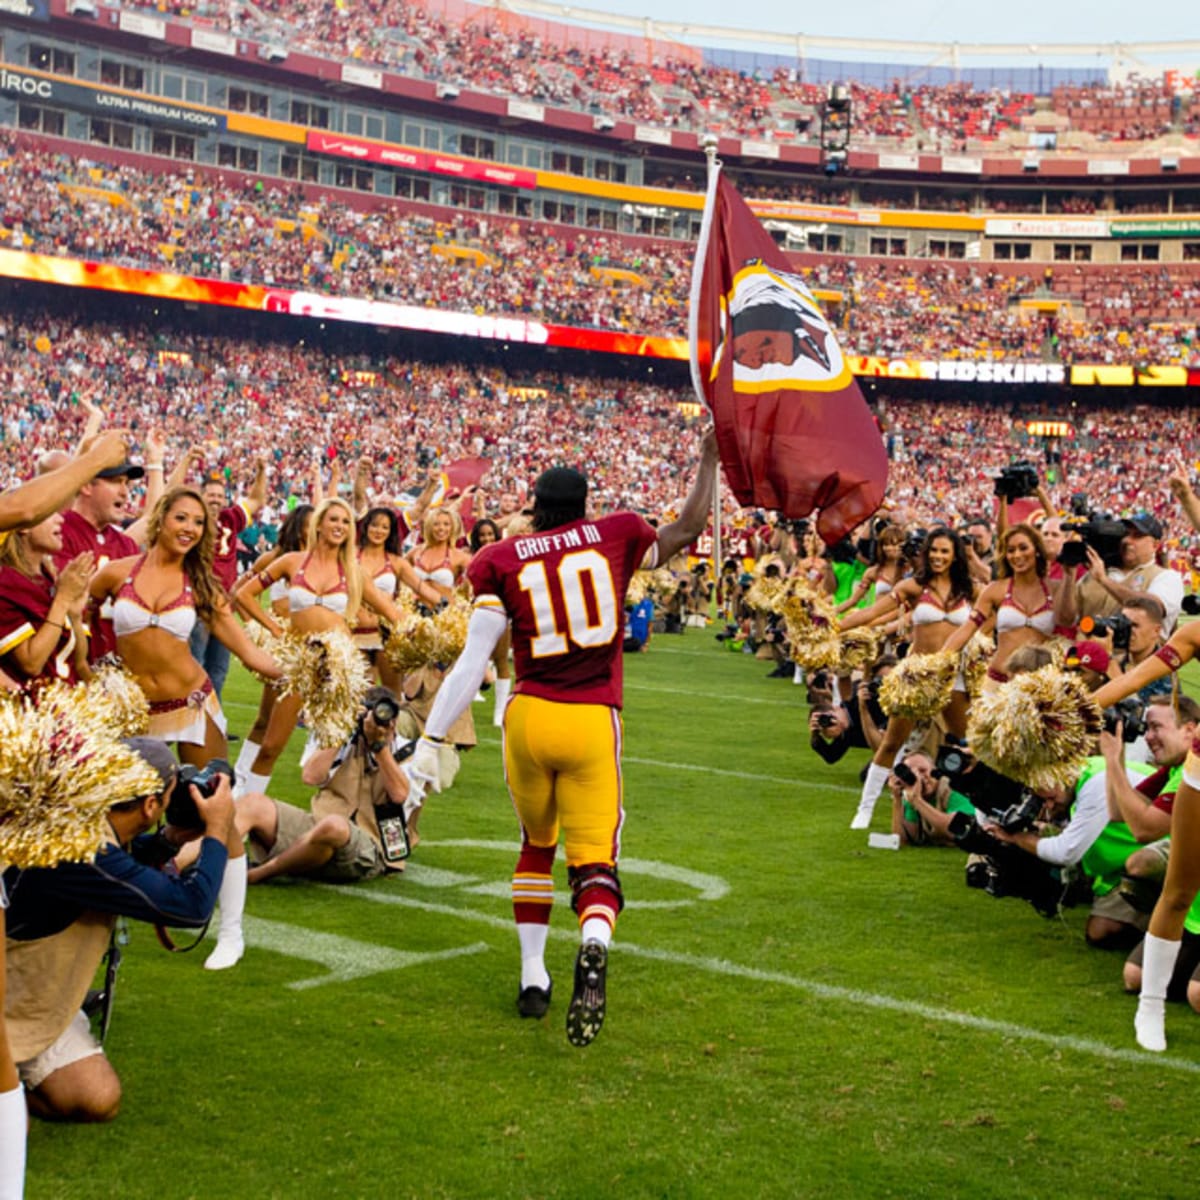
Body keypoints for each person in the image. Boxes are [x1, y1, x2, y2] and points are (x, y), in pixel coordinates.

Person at [409, 428, 719, 1046]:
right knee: (594, 854)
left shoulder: (499, 560)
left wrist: (430, 740)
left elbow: (473, 663)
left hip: (527, 716)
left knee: (535, 843)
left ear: (533, 504)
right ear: (585, 504)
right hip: (590, 717)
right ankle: (595, 940)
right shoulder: (619, 534)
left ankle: (532, 975)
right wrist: (708, 459)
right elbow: (687, 529)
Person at [89, 487, 280, 972]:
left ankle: (231, 930)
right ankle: (110, 910)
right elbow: (78, 617)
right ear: (161, 519)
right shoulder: (117, 572)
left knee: (218, 810)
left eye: (198, 523)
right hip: (132, 713)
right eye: (182, 517)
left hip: (191, 705)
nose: (190, 529)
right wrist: (89, 669)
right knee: (113, 813)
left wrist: (304, 669)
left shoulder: (202, 586)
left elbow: (251, 655)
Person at [3, 737, 231, 1123]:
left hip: (34, 996)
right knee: (13, 1128)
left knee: (97, 1097)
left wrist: (167, 840)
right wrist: (218, 830)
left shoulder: (78, 822)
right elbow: (191, 906)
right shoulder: (80, 851)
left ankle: (18, 1088)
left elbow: (118, 861)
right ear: (149, 805)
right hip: (12, 997)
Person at [1093, 622, 1200, 1050]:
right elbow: (1134, 679)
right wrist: (1067, 708)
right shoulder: (1194, 634)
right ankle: (1150, 1006)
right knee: (1177, 891)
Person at [839, 527, 978, 830]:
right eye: (934, 551)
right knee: (891, 742)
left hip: (953, 677)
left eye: (945, 551)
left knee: (969, 744)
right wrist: (836, 627)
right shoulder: (914, 586)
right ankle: (864, 810)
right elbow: (872, 612)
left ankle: (981, 815)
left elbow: (989, 617)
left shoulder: (970, 589)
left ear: (955, 555)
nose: (938, 557)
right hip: (916, 676)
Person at [234, 687, 412, 884]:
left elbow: (400, 795)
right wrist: (343, 729)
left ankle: (260, 873)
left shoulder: (406, 749)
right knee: (252, 803)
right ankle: (206, 862)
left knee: (334, 826)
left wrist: (380, 747)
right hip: (317, 827)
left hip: (368, 847)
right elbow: (311, 776)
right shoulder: (338, 734)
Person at [942, 523, 1060, 689]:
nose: (1017, 555)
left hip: (1042, 686)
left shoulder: (1055, 589)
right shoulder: (996, 590)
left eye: (1023, 547)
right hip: (998, 682)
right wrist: (939, 660)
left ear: (1037, 550)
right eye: (1011, 550)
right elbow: (967, 629)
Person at [188, 462, 268, 701]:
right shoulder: (190, 519)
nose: (215, 500)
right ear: (201, 496)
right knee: (196, 666)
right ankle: (192, 724)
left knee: (219, 669)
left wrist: (261, 473)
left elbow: (255, 501)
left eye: (220, 496)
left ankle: (215, 723)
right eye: (210, 495)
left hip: (225, 606)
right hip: (199, 605)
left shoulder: (230, 518)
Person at [0, 511, 93, 687]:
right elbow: (31, 663)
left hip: (66, 703)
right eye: (50, 513)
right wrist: (63, 599)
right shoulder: (6, 581)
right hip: (30, 709)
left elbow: (79, 661)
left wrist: (74, 615)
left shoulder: (48, 578)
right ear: (24, 526)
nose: (61, 519)